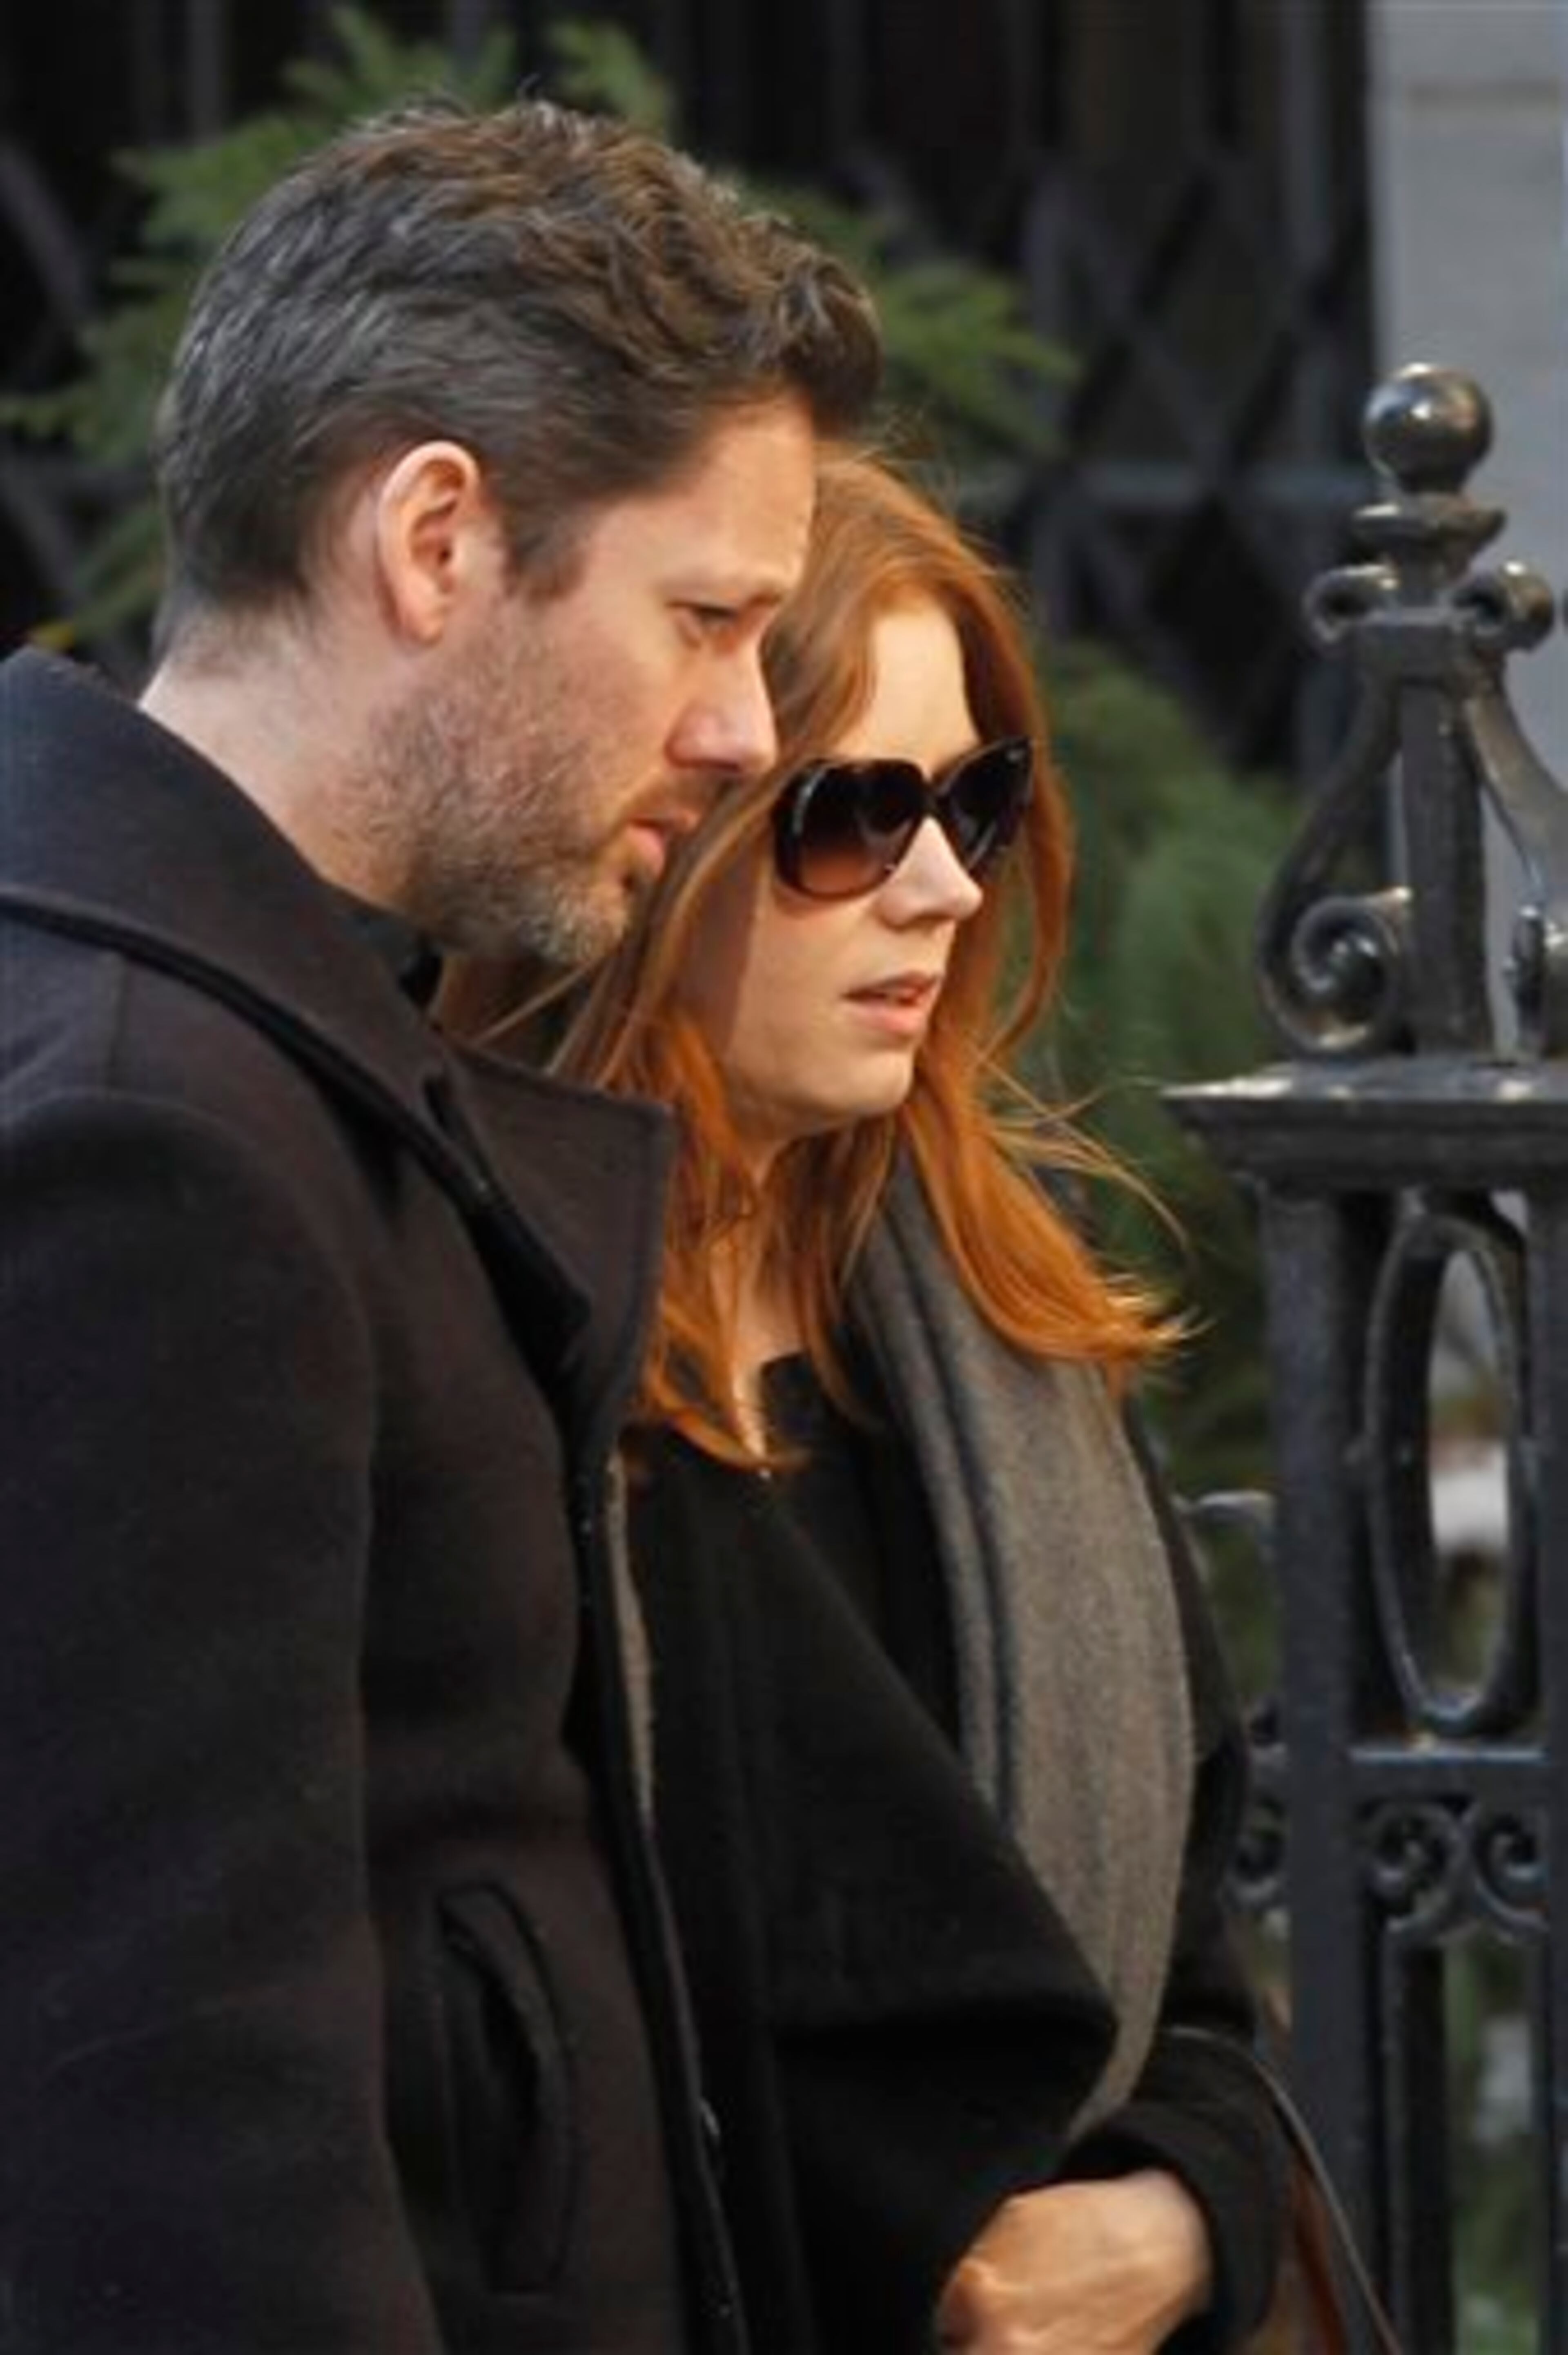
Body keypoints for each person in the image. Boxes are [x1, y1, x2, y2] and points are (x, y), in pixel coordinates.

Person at [0, 96, 878, 2354]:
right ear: (435, 537)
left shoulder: (224, 1044)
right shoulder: (151, 1137)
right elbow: (172, 2124)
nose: (735, 732)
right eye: (706, 619)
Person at [514, 453, 1290, 2353]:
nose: (942, 884)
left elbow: (1199, 1982)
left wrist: (1183, 2221)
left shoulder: (997, 1351)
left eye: (977, 798)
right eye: (850, 815)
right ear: (666, 830)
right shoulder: (497, 1352)